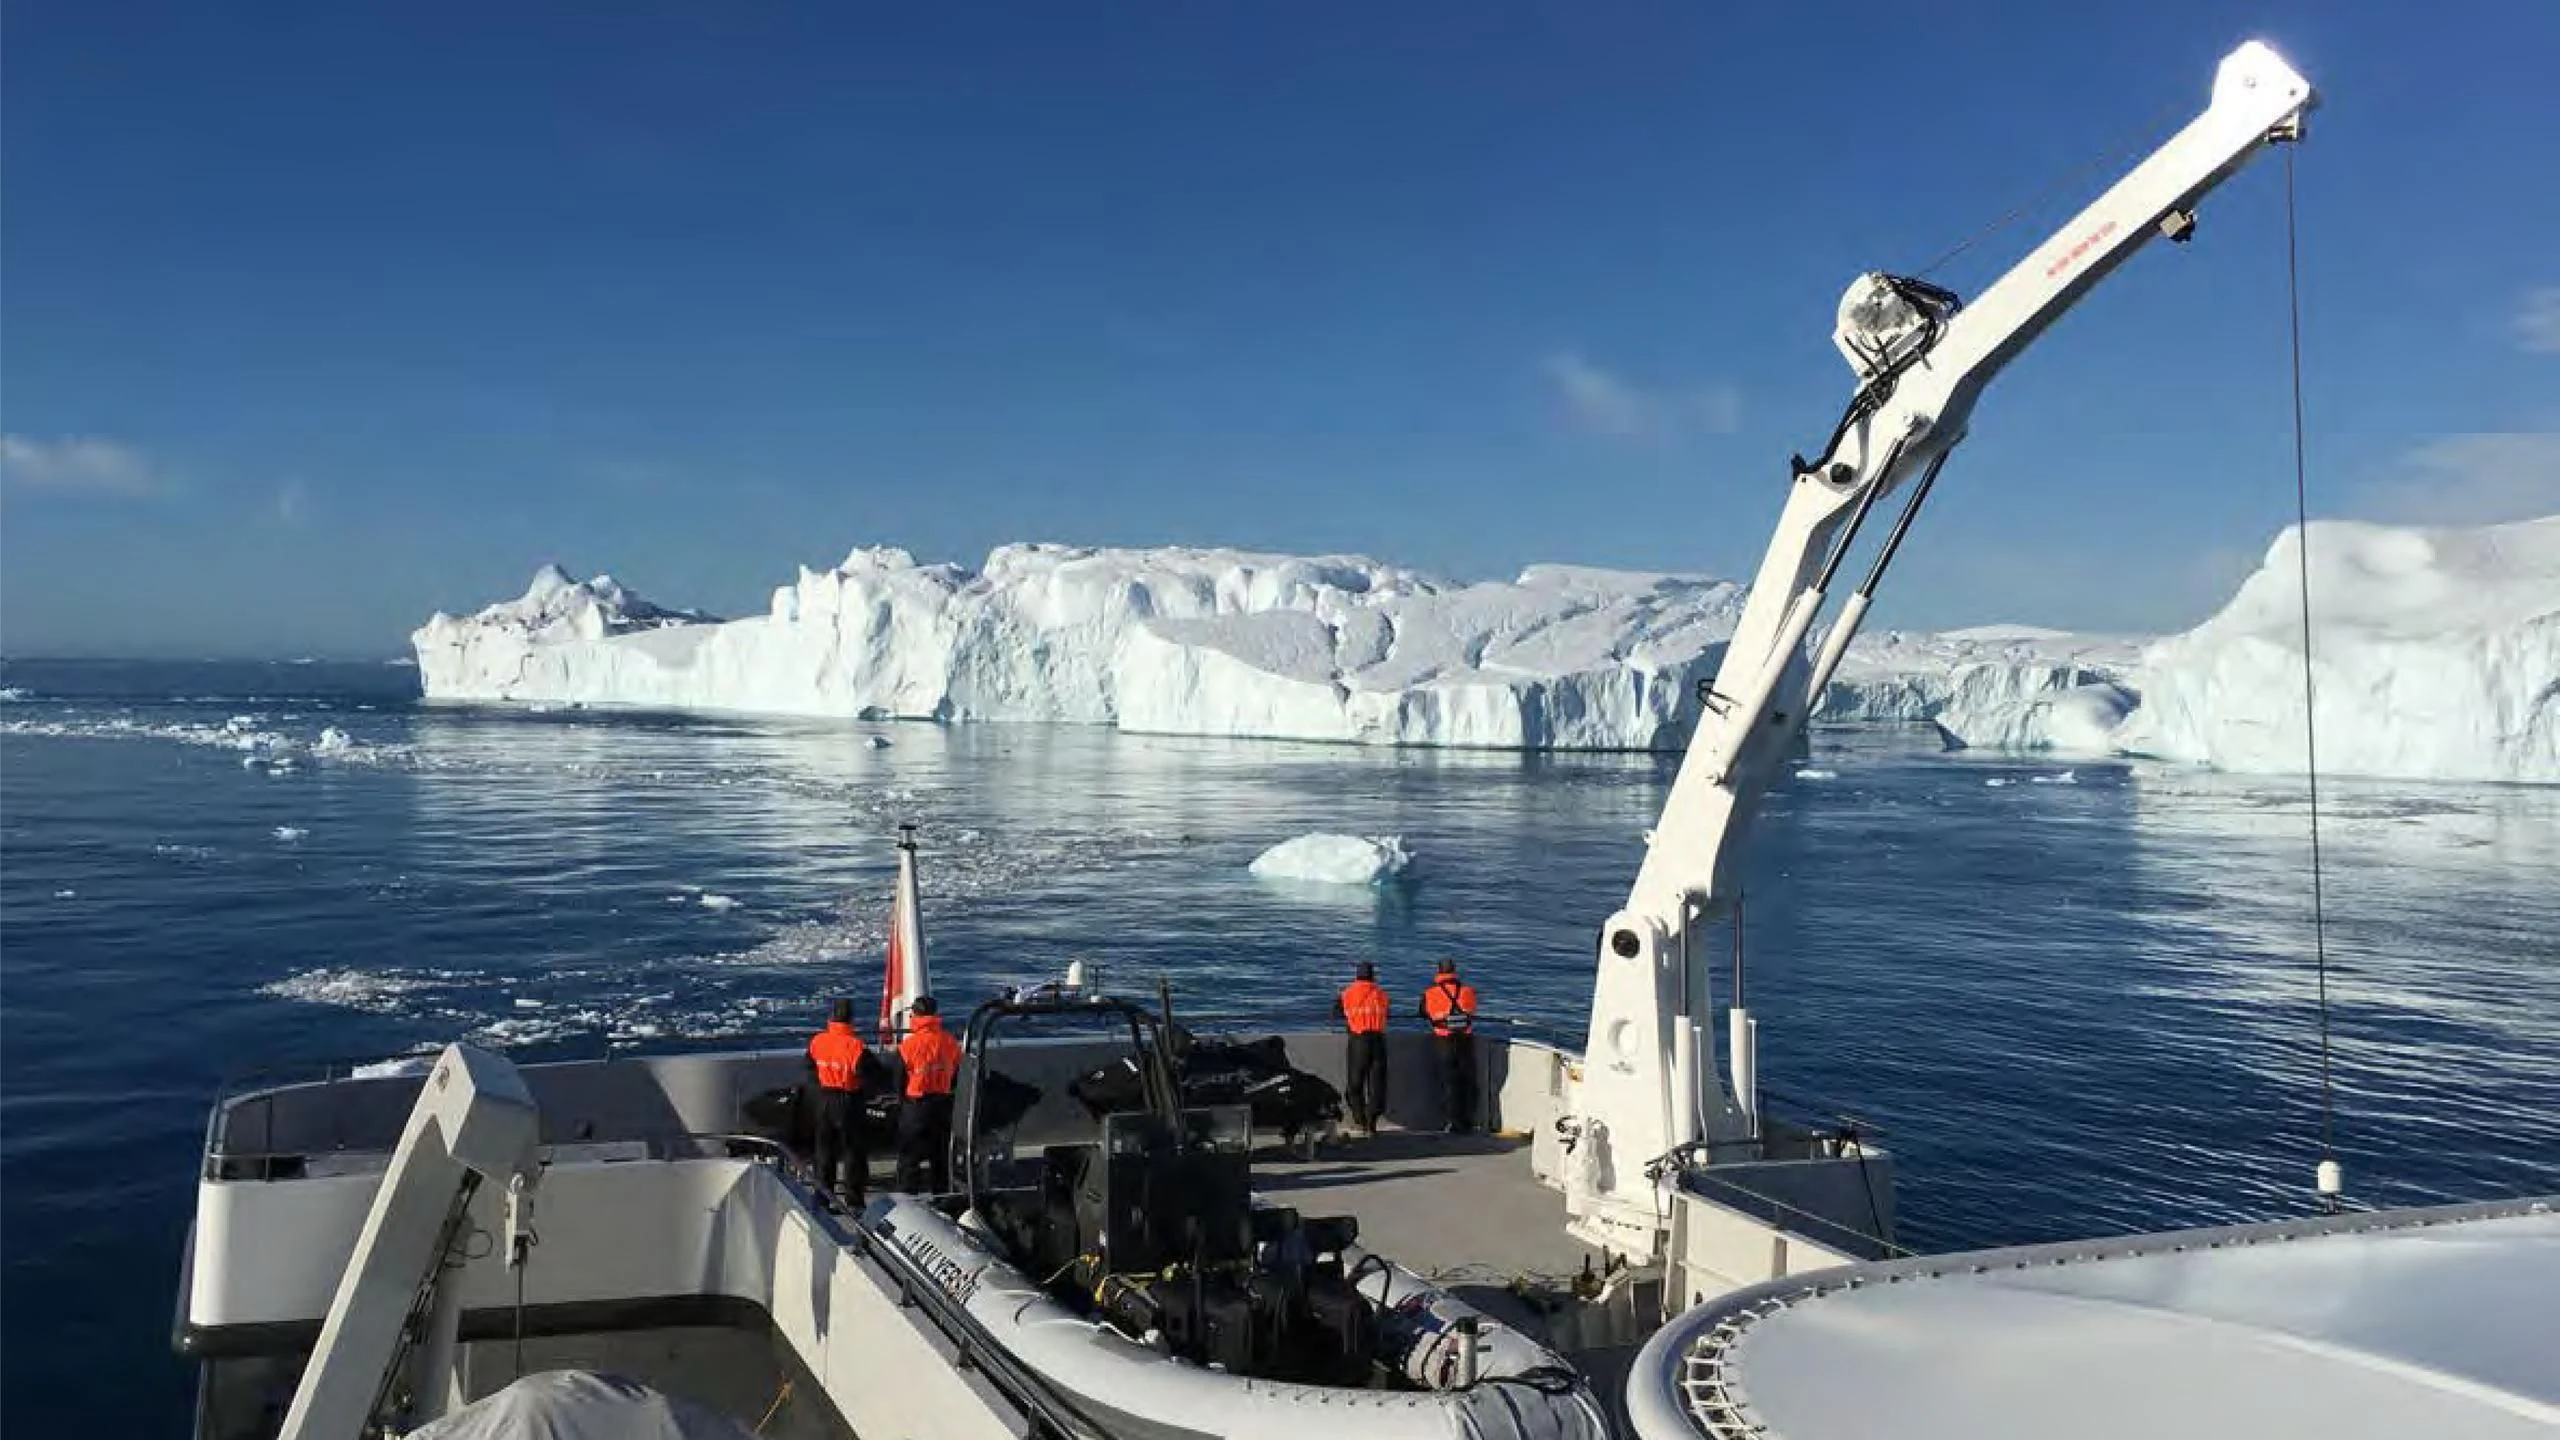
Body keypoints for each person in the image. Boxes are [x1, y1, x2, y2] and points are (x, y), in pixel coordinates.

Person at [806, 998, 874, 1204]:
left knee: (824, 1152)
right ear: (851, 1019)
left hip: (824, 1099)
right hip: (849, 1101)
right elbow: (872, 1074)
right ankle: (854, 1201)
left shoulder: (818, 1041)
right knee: (853, 1152)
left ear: (831, 1016)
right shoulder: (856, 1046)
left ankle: (822, 1198)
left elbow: (809, 1068)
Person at [896, 995, 964, 1193]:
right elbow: (958, 1074)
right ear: (935, 1015)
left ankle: (908, 1201)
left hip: (915, 1107)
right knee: (940, 1158)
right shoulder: (950, 1042)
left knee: (909, 1159)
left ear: (914, 1015)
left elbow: (898, 1080)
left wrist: (904, 1103)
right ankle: (942, 1200)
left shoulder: (908, 1046)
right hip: (942, 1106)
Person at [1416, 959, 1479, 1134]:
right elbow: (1472, 1011)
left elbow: (1422, 1012)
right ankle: (1468, 1122)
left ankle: (1453, 1122)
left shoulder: (1430, 993)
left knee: (1449, 1083)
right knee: (1468, 1082)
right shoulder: (1468, 991)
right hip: (1466, 1041)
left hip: (1444, 1041)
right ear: (1454, 971)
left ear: (1439, 972)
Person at [1333, 963, 1390, 1135]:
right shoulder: (1382, 995)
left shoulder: (1347, 993)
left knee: (1355, 1084)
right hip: (1379, 1041)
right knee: (1377, 1085)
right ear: (1373, 976)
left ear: (1357, 976)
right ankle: (1372, 1122)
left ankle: (1360, 1119)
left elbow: (1336, 1013)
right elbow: (1386, 1011)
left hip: (1359, 1041)